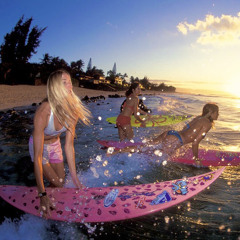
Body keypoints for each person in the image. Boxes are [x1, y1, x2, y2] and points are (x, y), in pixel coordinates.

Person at [29, 69, 91, 218]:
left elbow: (69, 146)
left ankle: (51, 193)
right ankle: (43, 195)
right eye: (64, 83)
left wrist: (75, 178)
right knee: (56, 181)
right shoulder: (44, 111)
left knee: (61, 182)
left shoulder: (73, 110)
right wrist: (42, 194)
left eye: (70, 82)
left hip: (55, 145)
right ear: (55, 87)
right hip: (39, 148)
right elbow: (37, 157)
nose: (69, 86)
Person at [116, 103, 219, 166]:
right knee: (151, 154)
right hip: (175, 140)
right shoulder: (207, 124)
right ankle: (130, 159)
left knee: (145, 146)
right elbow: (195, 142)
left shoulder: (198, 118)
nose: (218, 115)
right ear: (211, 112)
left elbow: (185, 128)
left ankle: (118, 151)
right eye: (217, 112)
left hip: (171, 134)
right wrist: (196, 159)